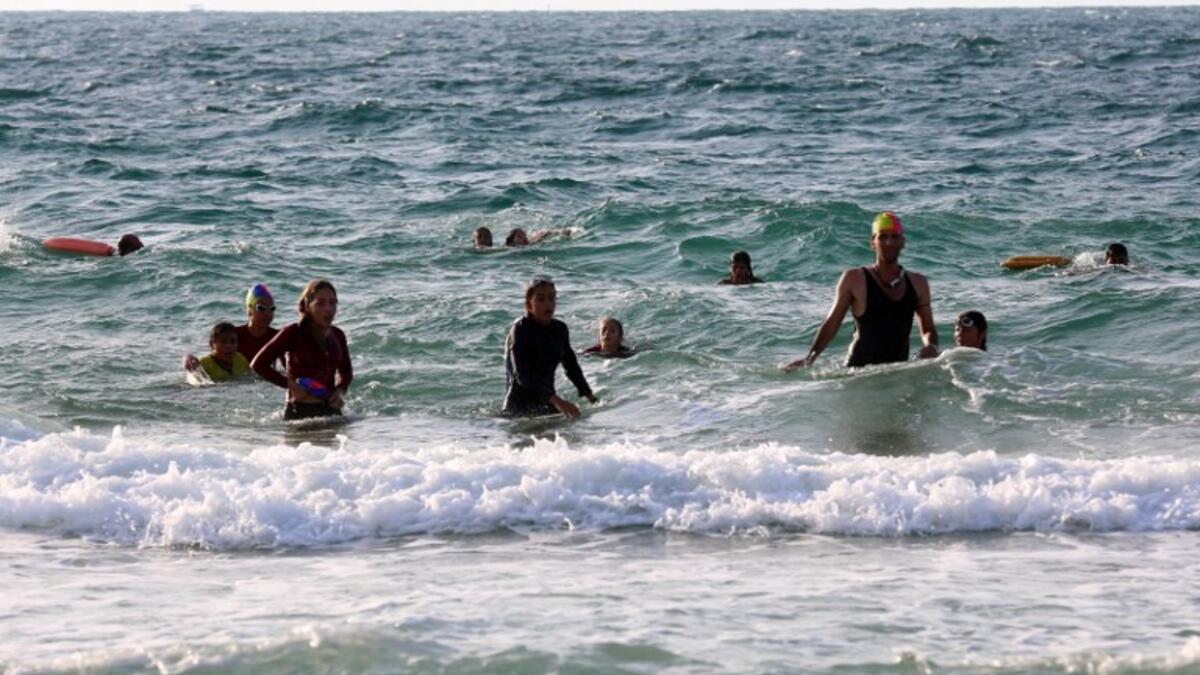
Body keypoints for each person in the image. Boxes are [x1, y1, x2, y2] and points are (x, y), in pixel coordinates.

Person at [786, 211, 938, 369]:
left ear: (903, 242)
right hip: (857, 372)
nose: (888, 242)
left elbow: (928, 328)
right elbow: (832, 323)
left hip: (897, 372)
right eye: (882, 237)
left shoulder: (918, 283)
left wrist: (931, 347)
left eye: (894, 237)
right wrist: (811, 357)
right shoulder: (854, 279)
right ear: (872, 242)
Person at [251, 279, 353, 421]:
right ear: (307, 305)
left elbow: (346, 372)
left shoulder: (338, 335)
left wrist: (340, 390)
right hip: (299, 412)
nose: (329, 308)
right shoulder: (294, 332)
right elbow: (258, 364)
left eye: (333, 302)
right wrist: (289, 385)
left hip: (332, 412)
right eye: (321, 303)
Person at [503, 276, 597, 419]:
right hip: (518, 411)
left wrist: (588, 394)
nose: (548, 303)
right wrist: (558, 401)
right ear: (529, 305)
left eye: (552, 298)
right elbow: (522, 377)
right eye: (541, 299)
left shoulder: (560, 329)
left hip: (547, 405)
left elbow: (570, 364)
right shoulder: (520, 331)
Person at [182, 284, 280, 371]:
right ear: (249, 310)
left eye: (272, 309)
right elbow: (211, 350)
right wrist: (188, 358)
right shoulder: (234, 335)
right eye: (261, 308)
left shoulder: (278, 337)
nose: (268, 313)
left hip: (263, 386)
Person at [185, 322, 252, 383]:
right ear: (212, 344)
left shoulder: (240, 359)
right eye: (223, 341)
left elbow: (252, 377)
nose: (229, 346)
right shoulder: (204, 365)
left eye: (233, 341)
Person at [505, 227, 573, 247]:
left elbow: (546, 234)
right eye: (520, 236)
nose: (524, 238)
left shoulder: (531, 243)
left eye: (524, 235)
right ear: (512, 240)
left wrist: (561, 232)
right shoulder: (509, 247)